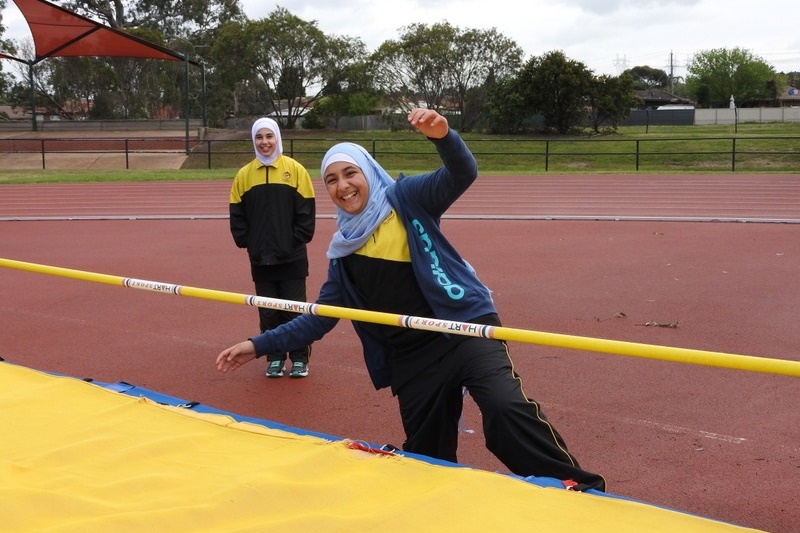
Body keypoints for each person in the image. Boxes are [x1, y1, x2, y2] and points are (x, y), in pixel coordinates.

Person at [217, 109, 605, 491]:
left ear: (367, 171)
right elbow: (319, 318)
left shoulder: (408, 198)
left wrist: (443, 136)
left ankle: (577, 487)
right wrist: (258, 344)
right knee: (427, 460)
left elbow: (461, 173)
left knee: (505, 411)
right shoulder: (343, 257)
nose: (343, 186)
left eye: (350, 173)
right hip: (412, 361)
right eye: (331, 180)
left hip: (463, 332)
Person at [228, 117, 315, 378]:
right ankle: (275, 356)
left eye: (269, 136)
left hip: (292, 258)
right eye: (259, 137)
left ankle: (299, 358)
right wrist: (249, 243)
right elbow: (237, 214)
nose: (265, 142)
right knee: (268, 312)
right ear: (253, 141)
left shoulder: (296, 170)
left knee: (295, 310)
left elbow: (306, 215)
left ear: (278, 138)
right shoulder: (244, 175)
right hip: (261, 258)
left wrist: (292, 242)